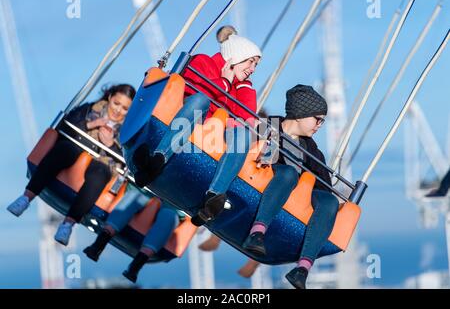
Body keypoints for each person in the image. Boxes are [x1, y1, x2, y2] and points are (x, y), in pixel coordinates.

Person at [133, 25, 262, 226]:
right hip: (187, 120)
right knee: (201, 100)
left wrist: (244, 87)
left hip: (212, 136)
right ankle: (159, 158)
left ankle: (214, 197)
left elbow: (248, 119)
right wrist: (225, 83)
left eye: (256, 65)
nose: (253, 69)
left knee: (244, 135)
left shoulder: (242, 87)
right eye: (250, 61)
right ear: (236, 57)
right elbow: (196, 93)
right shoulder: (203, 62)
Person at [7, 84, 136, 246]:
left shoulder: (128, 132)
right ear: (110, 98)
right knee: (65, 149)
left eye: (125, 108)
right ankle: (26, 198)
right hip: (75, 150)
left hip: (102, 163)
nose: (118, 110)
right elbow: (66, 125)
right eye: (116, 103)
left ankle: (68, 224)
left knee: (100, 174)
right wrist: (91, 125)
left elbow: (128, 159)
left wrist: (110, 145)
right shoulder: (89, 110)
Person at [241, 84, 338, 289]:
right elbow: (248, 151)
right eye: (317, 119)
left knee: (329, 200)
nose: (320, 124)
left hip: (295, 200)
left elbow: (324, 186)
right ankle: (257, 232)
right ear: (301, 115)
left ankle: (302, 268)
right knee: (288, 173)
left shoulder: (312, 150)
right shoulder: (267, 127)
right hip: (262, 187)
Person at [83, 184, 183, 283]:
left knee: (169, 216)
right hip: (145, 186)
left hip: (174, 199)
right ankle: (98, 245)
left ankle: (136, 266)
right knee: (135, 197)